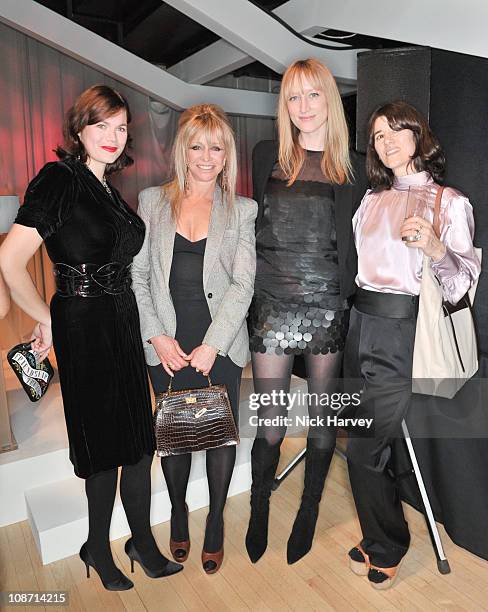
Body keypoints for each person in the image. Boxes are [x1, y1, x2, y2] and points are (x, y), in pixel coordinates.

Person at [0, 85, 183, 591]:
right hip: (83, 325)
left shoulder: (108, 189)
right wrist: (49, 319)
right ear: (79, 129)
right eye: (101, 124)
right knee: (103, 449)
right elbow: (10, 262)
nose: (112, 136)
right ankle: (97, 547)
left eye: (121, 127)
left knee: (140, 445)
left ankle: (141, 541)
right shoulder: (60, 179)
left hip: (121, 320)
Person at [345, 100, 481, 589]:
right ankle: (381, 530)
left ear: (419, 136)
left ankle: (385, 545)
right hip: (359, 324)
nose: (386, 141)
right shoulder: (370, 199)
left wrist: (435, 247)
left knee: (364, 445)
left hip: (402, 333)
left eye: (396, 131)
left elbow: (462, 285)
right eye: (378, 135)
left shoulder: (449, 202)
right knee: (360, 440)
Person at [246, 58, 366, 565]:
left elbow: (363, 241)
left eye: (313, 95)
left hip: (326, 308)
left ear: (329, 101)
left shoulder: (354, 165)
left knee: (321, 421)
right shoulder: (265, 153)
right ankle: (258, 506)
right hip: (271, 305)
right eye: (293, 97)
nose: (303, 107)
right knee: (270, 424)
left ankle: (310, 510)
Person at [131, 103, 257, 574]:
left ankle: (217, 520)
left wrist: (213, 344)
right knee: (175, 436)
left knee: (221, 434)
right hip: (164, 343)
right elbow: (137, 276)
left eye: (217, 147)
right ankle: (179, 513)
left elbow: (243, 284)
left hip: (217, 342)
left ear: (228, 155)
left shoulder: (242, 210)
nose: (207, 156)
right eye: (198, 146)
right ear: (183, 150)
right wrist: (157, 336)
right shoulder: (151, 202)